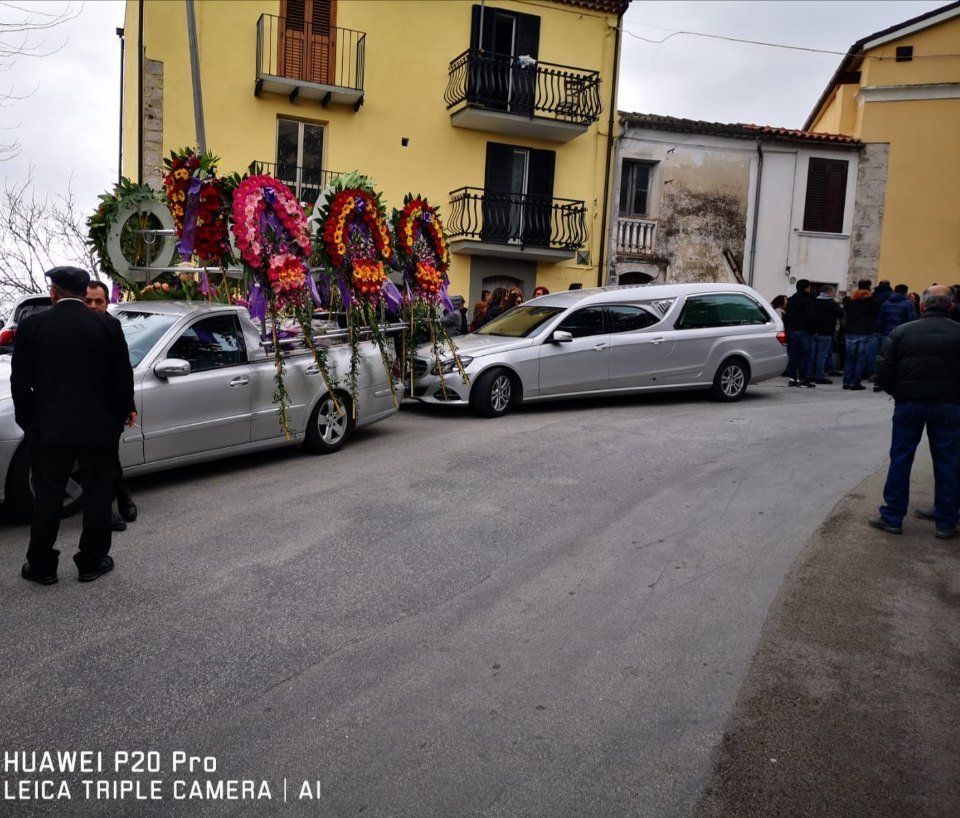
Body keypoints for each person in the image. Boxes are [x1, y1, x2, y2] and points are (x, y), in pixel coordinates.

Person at [11, 266, 134, 584]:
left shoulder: (33, 325)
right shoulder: (108, 325)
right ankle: (92, 562)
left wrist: (30, 423)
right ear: (83, 294)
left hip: (50, 428)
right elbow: (122, 376)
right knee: (97, 494)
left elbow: (20, 383)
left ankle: (42, 566)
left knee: (48, 497)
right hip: (98, 428)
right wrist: (121, 416)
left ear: (54, 292)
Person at [870, 286, 960, 538]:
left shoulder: (902, 332)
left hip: (909, 403)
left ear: (922, 305)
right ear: (950, 306)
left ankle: (892, 516)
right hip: (949, 405)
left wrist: (898, 392)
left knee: (901, 457)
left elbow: (883, 369)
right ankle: (946, 519)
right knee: (948, 461)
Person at [85, 280, 138, 532]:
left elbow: (123, 369)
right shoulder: (75, 328)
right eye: (89, 301)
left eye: (99, 301)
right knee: (102, 459)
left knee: (107, 458)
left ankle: (111, 507)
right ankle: (121, 498)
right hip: (81, 408)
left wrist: (129, 405)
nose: (94, 306)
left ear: (107, 303)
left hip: (110, 409)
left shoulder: (113, 326)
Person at [841, 282, 880, 390]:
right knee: (860, 358)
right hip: (865, 332)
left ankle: (846, 382)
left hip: (850, 331)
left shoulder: (850, 301)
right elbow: (876, 315)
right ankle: (856, 382)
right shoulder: (872, 302)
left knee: (849, 358)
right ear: (869, 288)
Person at [783, 279, 816, 387]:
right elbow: (810, 317)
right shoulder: (808, 300)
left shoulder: (791, 300)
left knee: (793, 355)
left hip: (792, 331)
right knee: (806, 356)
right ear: (807, 288)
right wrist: (812, 331)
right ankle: (803, 379)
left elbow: (786, 316)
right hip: (804, 331)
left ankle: (793, 378)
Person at [811, 284, 843, 384]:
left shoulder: (814, 301)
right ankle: (819, 376)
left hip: (814, 331)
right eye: (833, 292)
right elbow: (840, 314)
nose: (834, 294)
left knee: (812, 355)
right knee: (822, 355)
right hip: (826, 332)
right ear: (829, 292)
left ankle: (810, 374)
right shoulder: (832, 303)